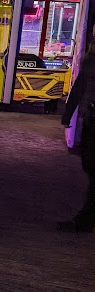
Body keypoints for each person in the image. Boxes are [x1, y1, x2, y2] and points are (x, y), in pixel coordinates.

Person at [59, 41, 95, 232]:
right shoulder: (90, 61)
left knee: (91, 167)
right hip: (90, 118)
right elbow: (80, 87)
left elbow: (80, 88)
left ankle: (85, 220)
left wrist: (68, 114)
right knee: (89, 166)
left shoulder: (90, 60)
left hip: (91, 119)